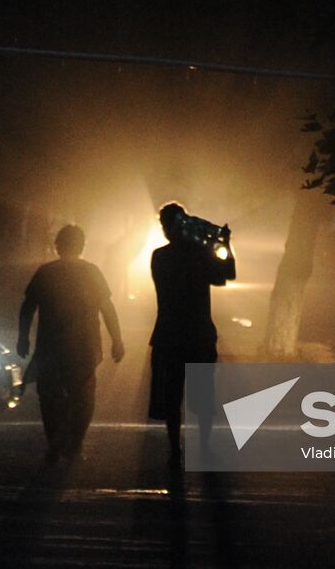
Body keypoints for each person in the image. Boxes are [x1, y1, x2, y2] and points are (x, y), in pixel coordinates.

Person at [17, 224, 125, 464]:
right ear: (82, 246)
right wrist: (116, 340)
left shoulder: (46, 272)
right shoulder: (92, 272)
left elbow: (27, 307)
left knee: (48, 396)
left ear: (57, 246)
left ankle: (54, 444)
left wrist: (23, 337)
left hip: (50, 346)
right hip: (85, 346)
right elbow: (107, 308)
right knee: (83, 396)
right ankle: (75, 443)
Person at [148, 201, 226, 469]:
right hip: (198, 332)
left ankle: (175, 449)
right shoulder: (199, 255)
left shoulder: (160, 257)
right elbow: (223, 276)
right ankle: (203, 446)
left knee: (171, 396)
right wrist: (221, 244)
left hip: (169, 332)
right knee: (203, 395)